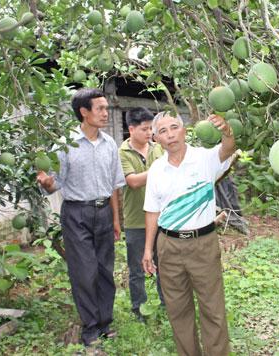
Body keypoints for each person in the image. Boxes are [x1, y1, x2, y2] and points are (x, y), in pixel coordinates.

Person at [142, 111, 235, 356]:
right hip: (168, 246)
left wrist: (227, 132)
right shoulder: (156, 170)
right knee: (178, 311)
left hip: (202, 243)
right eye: (163, 131)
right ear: (155, 138)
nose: (170, 134)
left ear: (184, 130)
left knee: (212, 310)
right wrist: (148, 250)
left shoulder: (204, 158)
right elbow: (152, 211)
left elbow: (227, 149)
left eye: (174, 127)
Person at [37, 88, 125, 346]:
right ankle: (90, 329)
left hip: (104, 212)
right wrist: (46, 183)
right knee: (85, 273)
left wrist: (116, 220)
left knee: (105, 271)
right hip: (77, 213)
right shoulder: (65, 143)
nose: (106, 113)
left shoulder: (109, 144)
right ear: (84, 112)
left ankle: (105, 323)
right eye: (100, 108)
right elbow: (54, 184)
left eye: (106, 108)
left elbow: (114, 186)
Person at [119, 107, 165, 323]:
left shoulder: (158, 148)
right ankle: (139, 309)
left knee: (164, 265)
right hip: (136, 220)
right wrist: (159, 169)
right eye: (145, 129)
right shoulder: (122, 153)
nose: (149, 133)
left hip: (163, 218)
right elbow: (133, 182)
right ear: (131, 129)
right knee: (137, 268)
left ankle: (167, 305)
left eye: (151, 129)